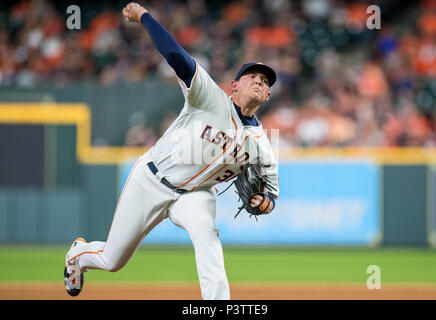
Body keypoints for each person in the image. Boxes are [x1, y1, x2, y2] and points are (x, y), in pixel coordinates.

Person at [64, 2, 279, 300]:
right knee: (112, 261)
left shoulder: (262, 144)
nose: (259, 81)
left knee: (208, 237)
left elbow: (271, 193)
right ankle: (79, 255)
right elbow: (176, 55)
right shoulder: (210, 98)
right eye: (252, 77)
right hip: (152, 180)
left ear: (267, 95)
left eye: (265, 81)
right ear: (233, 86)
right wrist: (144, 17)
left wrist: (264, 202)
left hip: (196, 194)